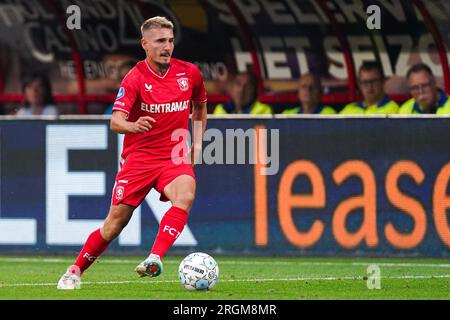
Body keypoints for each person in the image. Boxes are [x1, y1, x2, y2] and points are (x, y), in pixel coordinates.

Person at [57, 16, 207, 289]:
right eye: (161, 41)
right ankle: (75, 269)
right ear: (145, 44)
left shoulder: (190, 74)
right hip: (139, 159)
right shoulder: (135, 78)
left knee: (185, 194)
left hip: (173, 156)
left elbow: (200, 107)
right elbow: (115, 121)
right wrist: (133, 125)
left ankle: (154, 258)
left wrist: (196, 143)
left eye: (171, 41)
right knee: (114, 225)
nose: (167, 47)